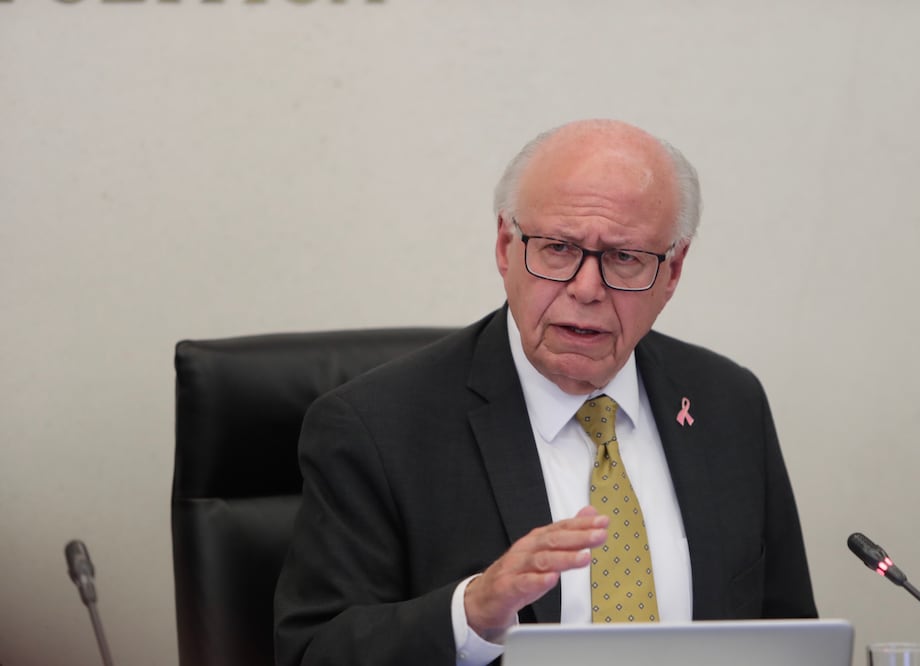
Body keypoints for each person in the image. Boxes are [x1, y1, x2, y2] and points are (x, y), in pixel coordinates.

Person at [273, 119, 817, 666]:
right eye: (558, 248)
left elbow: (791, 636)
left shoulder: (728, 403)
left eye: (625, 258)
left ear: (672, 271)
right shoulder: (376, 427)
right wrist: (472, 612)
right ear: (506, 247)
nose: (586, 289)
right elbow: (312, 652)